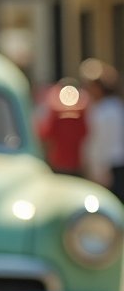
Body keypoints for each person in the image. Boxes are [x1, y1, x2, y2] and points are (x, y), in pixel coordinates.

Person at [79, 57, 124, 199]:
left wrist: (99, 169)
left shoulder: (107, 111)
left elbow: (103, 142)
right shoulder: (112, 106)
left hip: (109, 165)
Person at [35, 76, 88, 174]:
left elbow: (46, 135)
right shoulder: (82, 112)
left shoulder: (55, 111)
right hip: (75, 162)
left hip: (59, 161)